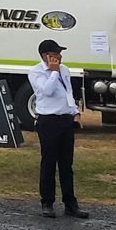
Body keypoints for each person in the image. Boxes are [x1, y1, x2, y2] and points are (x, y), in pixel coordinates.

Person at [29, 38, 88, 218]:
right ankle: (47, 202)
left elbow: (67, 93)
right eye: (55, 54)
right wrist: (53, 73)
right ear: (45, 56)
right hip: (48, 120)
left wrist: (74, 112)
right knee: (48, 162)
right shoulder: (36, 72)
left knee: (66, 164)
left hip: (65, 120)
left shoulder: (65, 70)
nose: (59, 57)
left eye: (59, 54)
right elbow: (46, 91)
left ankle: (70, 203)